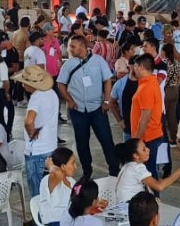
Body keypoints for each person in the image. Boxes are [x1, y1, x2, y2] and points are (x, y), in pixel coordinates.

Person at [57, 33, 117, 179]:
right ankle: (86, 171)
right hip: (78, 111)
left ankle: (114, 170)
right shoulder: (69, 64)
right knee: (82, 142)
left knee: (106, 139)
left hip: (97, 108)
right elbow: (61, 84)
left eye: (73, 46)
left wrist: (107, 101)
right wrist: (69, 101)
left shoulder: (98, 61)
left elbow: (107, 80)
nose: (70, 49)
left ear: (83, 46)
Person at [16, 64, 59, 199]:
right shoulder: (52, 93)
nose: (23, 86)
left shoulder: (36, 98)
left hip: (37, 151)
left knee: (37, 193)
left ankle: (39, 219)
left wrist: (31, 133)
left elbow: (29, 121)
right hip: (51, 146)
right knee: (49, 189)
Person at [113, 138, 180, 203]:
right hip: (130, 210)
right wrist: (178, 173)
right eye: (144, 149)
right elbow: (159, 186)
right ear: (136, 155)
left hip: (123, 206)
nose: (148, 150)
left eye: (146, 147)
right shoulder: (137, 168)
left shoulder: (128, 165)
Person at [130, 54, 166, 179]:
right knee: (148, 171)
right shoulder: (150, 81)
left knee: (148, 173)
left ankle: (153, 197)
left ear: (140, 67)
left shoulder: (147, 87)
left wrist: (138, 140)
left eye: (134, 66)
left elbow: (145, 116)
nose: (133, 69)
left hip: (147, 137)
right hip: (150, 135)